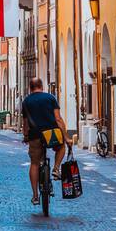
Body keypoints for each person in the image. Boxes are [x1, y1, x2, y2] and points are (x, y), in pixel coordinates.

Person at [20, 77, 69, 205]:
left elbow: (25, 123)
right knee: (61, 147)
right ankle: (56, 169)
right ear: (42, 86)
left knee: (34, 163)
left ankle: (35, 196)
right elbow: (58, 119)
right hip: (52, 133)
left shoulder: (26, 102)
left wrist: (25, 136)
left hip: (35, 135)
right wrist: (66, 136)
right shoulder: (50, 98)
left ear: (30, 88)